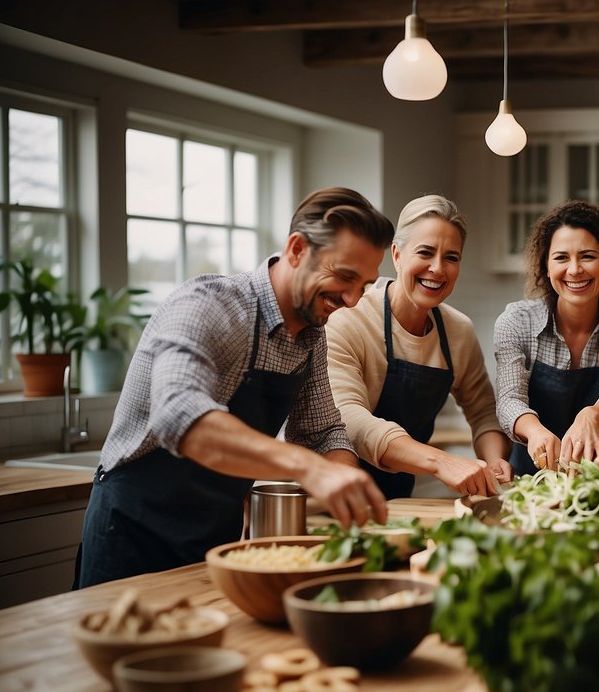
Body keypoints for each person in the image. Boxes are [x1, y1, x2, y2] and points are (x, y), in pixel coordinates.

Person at [76, 187, 393, 588]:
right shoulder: (210, 306)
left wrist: (347, 494)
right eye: (344, 276)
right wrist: (308, 468)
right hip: (133, 532)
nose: (351, 300)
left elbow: (322, 430)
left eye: (363, 285)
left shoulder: (310, 334)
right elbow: (179, 415)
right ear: (296, 249)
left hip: (214, 538)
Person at [325, 195, 511, 499]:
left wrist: (493, 461)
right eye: (425, 252)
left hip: (399, 497)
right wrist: (441, 461)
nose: (438, 269)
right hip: (332, 495)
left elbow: (484, 412)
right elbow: (348, 420)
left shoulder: (457, 331)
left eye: (451, 257)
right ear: (397, 255)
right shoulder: (350, 319)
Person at [494, 200, 599, 484]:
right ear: (545, 266)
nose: (574, 269)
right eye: (561, 258)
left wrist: (591, 415)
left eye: (588, 256)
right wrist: (534, 431)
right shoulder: (515, 321)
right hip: (533, 481)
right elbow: (509, 400)